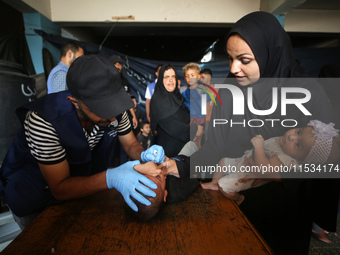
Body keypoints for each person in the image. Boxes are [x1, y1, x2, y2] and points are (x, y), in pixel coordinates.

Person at [159, 11, 340, 255]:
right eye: (231, 58)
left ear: (269, 54)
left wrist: (268, 178)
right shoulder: (229, 91)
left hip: (284, 215)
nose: (234, 68)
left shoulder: (308, 94)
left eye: (244, 60)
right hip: (231, 205)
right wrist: (179, 167)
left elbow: (325, 160)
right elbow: (214, 148)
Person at [0, 55, 165, 230]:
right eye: (102, 108)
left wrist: (144, 154)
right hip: (35, 195)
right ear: (75, 102)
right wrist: (111, 177)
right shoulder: (43, 120)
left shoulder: (116, 110)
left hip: (82, 191)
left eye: (113, 105)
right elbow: (60, 187)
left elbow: (130, 144)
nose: (111, 116)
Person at [202, 120, 340, 206]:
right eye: (299, 131)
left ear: (302, 159)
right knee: (223, 161)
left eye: (298, 144)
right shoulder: (283, 143)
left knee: (225, 186)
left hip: (247, 174)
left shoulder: (285, 159)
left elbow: (264, 170)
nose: (291, 136)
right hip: (243, 162)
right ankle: (214, 183)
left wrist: (259, 147)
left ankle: (238, 198)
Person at [150, 64, 203, 157]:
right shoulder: (158, 100)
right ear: (160, 80)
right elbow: (171, 125)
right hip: (168, 154)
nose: (170, 80)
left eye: (173, 76)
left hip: (184, 151)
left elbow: (186, 116)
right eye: (166, 77)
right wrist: (195, 129)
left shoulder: (177, 97)